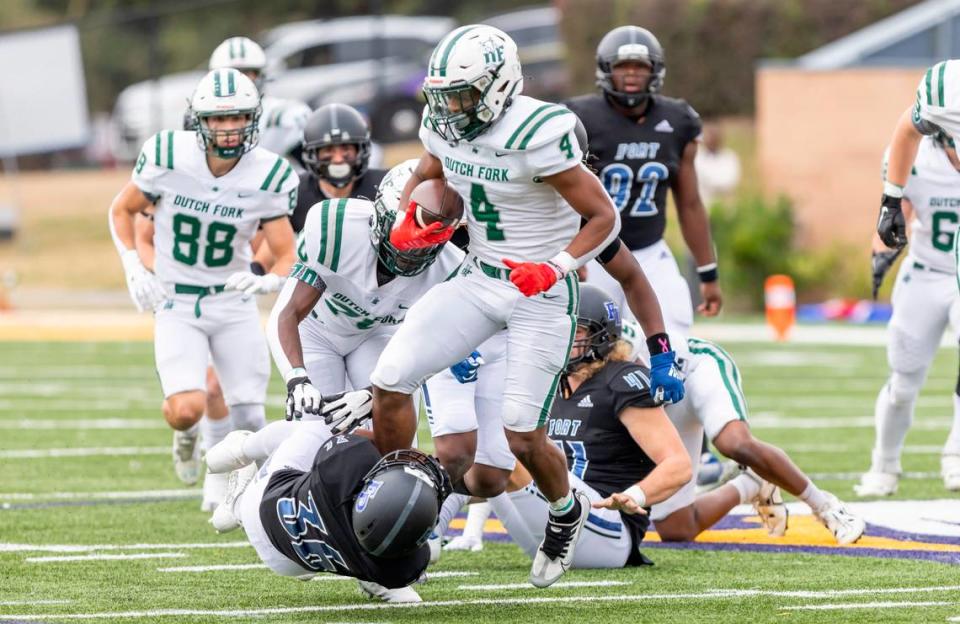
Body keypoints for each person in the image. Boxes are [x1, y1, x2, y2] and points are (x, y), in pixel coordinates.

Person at [365, 23, 653, 589]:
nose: (451, 107)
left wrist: (557, 265)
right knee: (391, 378)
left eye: (463, 94)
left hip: (541, 291)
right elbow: (430, 169)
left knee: (522, 435)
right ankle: (393, 483)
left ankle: (565, 510)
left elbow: (604, 219)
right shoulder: (444, 124)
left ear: (499, 86)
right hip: (479, 277)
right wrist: (411, 215)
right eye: (442, 96)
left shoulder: (540, 131)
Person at [108, 68, 297, 507]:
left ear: (253, 119)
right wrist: (134, 265)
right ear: (198, 120)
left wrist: (268, 278)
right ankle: (188, 435)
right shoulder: (167, 156)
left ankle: (233, 489)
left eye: (238, 118)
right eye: (218, 119)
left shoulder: (268, 175)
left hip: (232, 301)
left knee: (249, 412)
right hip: (176, 300)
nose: (228, 129)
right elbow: (121, 210)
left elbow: (286, 251)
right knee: (185, 408)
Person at [473, 284, 690, 568]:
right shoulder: (553, 380)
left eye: (575, 331)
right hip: (558, 520)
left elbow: (679, 464)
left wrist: (633, 495)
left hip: (608, 527)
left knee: (505, 456)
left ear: (602, 335)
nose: (562, 340)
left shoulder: (622, 382)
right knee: (485, 456)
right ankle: (427, 532)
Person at [267, 161, 464, 423]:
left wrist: (374, 394)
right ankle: (246, 447)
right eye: (406, 232)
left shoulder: (450, 268)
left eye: (429, 238)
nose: (413, 248)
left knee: (393, 430)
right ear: (381, 214)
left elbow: (426, 354)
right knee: (314, 431)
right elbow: (288, 312)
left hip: (375, 335)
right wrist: (297, 377)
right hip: (317, 332)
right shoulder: (336, 230)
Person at [565, 25, 722, 333]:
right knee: (584, 351)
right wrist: (570, 254)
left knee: (672, 341)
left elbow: (689, 203)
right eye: (623, 66)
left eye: (641, 66)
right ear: (606, 70)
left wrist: (708, 273)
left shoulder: (678, 121)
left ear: (656, 71)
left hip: (650, 252)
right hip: (594, 253)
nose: (632, 74)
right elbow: (559, 196)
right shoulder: (577, 119)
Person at [203, 420, 451, 603]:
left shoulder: (348, 466)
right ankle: (373, 580)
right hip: (291, 564)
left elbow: (339, 437)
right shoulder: (410, 564)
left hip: (262, 509)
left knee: (318, 427)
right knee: (370, 557)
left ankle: (240, 449)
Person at [858, 130, 960, 496]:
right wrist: (881, 254)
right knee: (903, 382)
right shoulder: (918, 159)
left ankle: (956, 455)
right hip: (926, 273)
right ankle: (884, 465)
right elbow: (894, 216)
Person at [207, 36, 310, 161]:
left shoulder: (283, 114)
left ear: (261, 75)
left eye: (246, 72)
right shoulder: (204, 114)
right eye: (231, 73)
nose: (238, 79)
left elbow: (311, 168)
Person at [694, 120, 741, 209]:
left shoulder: (730, 157)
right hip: (704, 207)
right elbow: (699, 180)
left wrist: (712, 182)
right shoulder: (697, 158)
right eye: (709, 137)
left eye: (714, 136)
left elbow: (731, 182)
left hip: (725, 209)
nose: (712, 140)